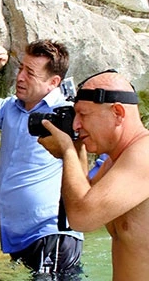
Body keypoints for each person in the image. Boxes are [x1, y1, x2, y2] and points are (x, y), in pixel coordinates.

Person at [0, 39, 83, 276]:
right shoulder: (10, 109)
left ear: (53, 82)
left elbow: (104, 148)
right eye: (21, 68)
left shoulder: (66, 114)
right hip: (20, 238)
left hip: (52, 232)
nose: (20, 77)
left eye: (30, 73)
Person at [38, 70, 149, 280]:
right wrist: (76, 148)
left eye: (84, 115)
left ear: (118, 113)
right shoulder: (115, 162)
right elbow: (83, 198)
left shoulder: (144, 155)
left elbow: (82, 218)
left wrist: (67, 150)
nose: (76, 125)